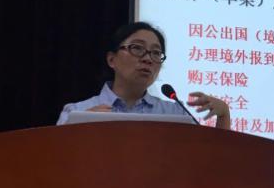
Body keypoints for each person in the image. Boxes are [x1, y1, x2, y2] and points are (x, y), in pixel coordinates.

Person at [57, 21, 230, 129]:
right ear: (112, 60)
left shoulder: (175, 114)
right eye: (137, 48)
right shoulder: (77, 112)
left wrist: (223, 116)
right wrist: (78, 128)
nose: (147, 59)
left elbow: (208, 161)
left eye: (156, 53)